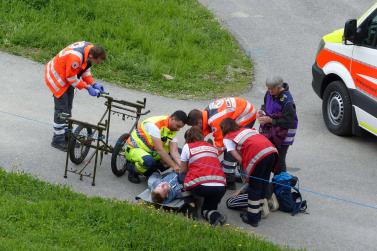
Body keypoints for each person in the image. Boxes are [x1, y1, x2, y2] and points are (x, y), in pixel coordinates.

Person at [45, 41, 106, 151]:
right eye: (97, 62)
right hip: (57, 77)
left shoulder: (90, 50)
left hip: (67, 74)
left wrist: (93, 83)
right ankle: (58, 140)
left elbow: (85, 69)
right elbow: (71, 78)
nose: (97, 64)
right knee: (62, 110)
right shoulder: (76, 57)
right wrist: (87, 88)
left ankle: (67, 135)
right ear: (92, 56)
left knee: (68, 108)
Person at [187, 97, 257, 189]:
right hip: (242, 109)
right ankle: (237, 172)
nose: (197, 129)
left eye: (195, 126)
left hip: (246, 115)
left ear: (199, 122)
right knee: (230, 144)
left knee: (230, 145)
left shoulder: (215, 120)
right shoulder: (206, 113)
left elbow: (221, 145)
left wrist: (206, 156)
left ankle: (229, 180)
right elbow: (207, 129)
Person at [220, 118, 278, 227]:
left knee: (254, 187)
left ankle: (253, 218)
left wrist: (244, 167)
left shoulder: (228, 138)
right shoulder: (246, 130)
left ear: (223, 129)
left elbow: (239, 158)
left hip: (259, 156)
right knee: (263, 182)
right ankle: (262, 208)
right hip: (271, 152)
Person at [180, 126, 227, 226]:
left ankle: (190, 205)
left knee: (180, 176)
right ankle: (216, 217)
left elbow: (183, 170)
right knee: (207, 210)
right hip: (220, 187)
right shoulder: (212, 147)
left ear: (187, 138)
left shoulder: (187, 146)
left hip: (201, 187)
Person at [125, 111, 187, 183]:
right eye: (178, 126)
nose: (178, 129)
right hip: (136, 148)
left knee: (179, 152)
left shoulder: (172, 128)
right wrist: (174, 166)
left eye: (180, 127)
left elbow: (174, 151)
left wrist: (181, 166)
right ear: (172, 119)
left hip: (151, 150)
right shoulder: (155, 125)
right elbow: (159, 150)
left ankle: (151, 171)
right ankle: (132, 170)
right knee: (149, 161)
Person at [258, 76, 298, 173]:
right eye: (268, 88)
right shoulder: (269, 93)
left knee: (279, 160)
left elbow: (289, 121)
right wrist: (262, 111)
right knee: (269, 156)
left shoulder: (287, 101)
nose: (269, 91)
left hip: (284, 134)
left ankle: (282, 184)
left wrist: (271, 121)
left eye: (272, 89)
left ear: (279, 87)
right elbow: (265, 105)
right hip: (272, 130)